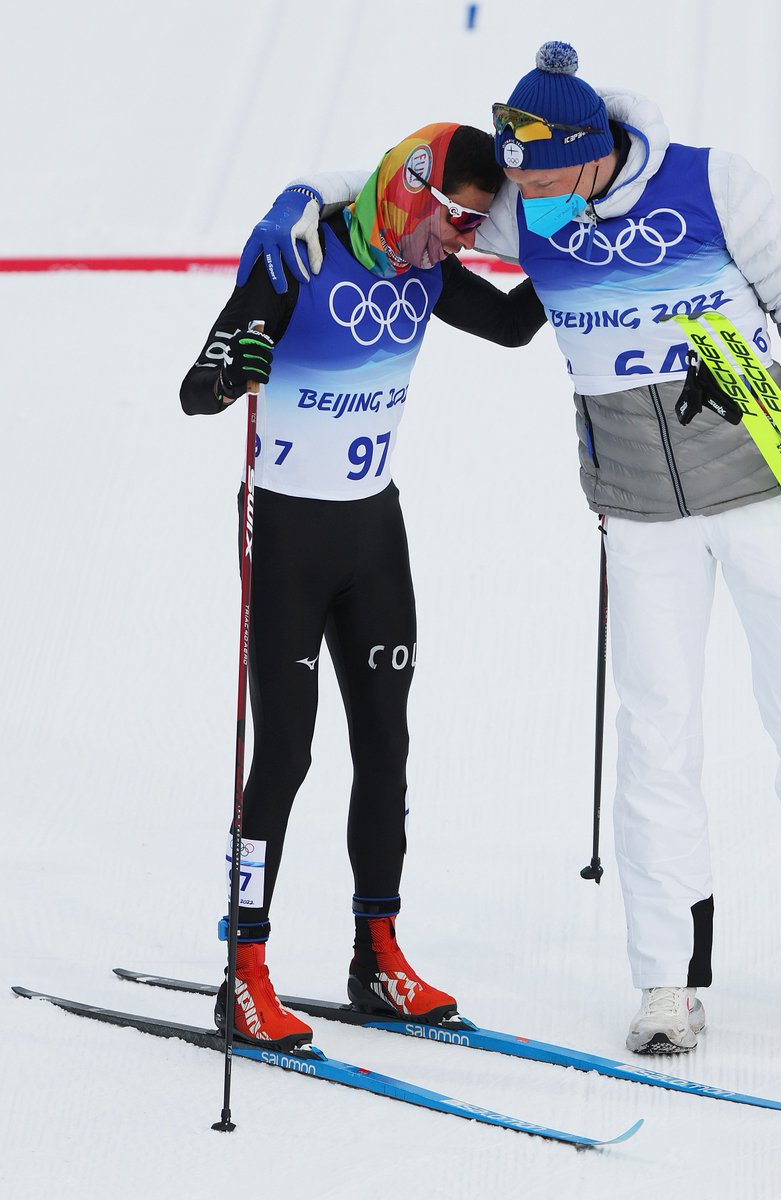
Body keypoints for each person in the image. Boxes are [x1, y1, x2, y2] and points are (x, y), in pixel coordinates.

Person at [248, 44, 781, 1054]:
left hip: (763, 492)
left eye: (549, 175)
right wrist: (307, 190)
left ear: (595, 151)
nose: (527, 197)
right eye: (519, 175)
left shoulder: (713, 182)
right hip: (640, 513)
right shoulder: (524, 198)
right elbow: (408, 173)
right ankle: (668, 980)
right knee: (655, 742)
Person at [180, 123, 545, 1050]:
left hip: (374, 533)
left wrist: (575, 250)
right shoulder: (298, 254)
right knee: (287, 755)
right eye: (456, 219)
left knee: (387, 747)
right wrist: (234, 371)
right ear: (411, 194)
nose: (462, 240)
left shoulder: (424, 270)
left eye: (473, 224)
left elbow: (507, 325)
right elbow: (198, 388)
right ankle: (245, 973)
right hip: (292, 534)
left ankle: (377, 954)